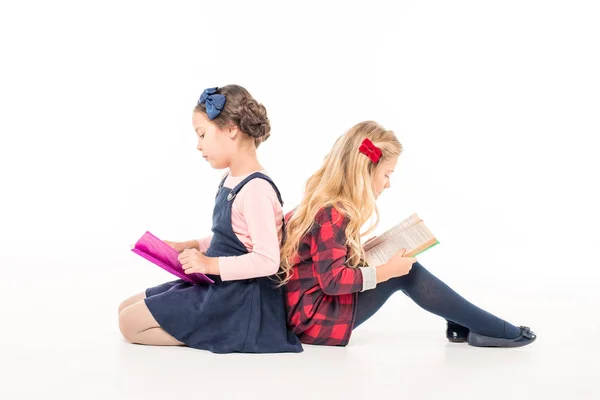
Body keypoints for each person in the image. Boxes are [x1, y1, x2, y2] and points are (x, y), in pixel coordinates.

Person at [280, 121, 536, 348]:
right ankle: (493, 329)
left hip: (307, 313)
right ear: (365, 171)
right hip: (315, 321)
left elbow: (323, 267)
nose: (388, 183)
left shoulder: (325, 206)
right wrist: (385, 272)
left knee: (401, 267)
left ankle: (462, 324)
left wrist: (362, 255)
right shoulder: (333, 214)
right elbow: (332, 281)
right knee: (406, 273)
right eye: (386, 174)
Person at [118, 85, 302, 354]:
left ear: (231, 129)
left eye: (202, 134)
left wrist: (208, 263)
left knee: (129, 324)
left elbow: (267, 260)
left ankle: (217, 332)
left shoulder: (256, 190)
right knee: (126, 308)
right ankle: (203, 326)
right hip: (219, 284)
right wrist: (191, 244)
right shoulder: (231, 179)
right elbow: (233, 238)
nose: (198, 145)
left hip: (240, 298)